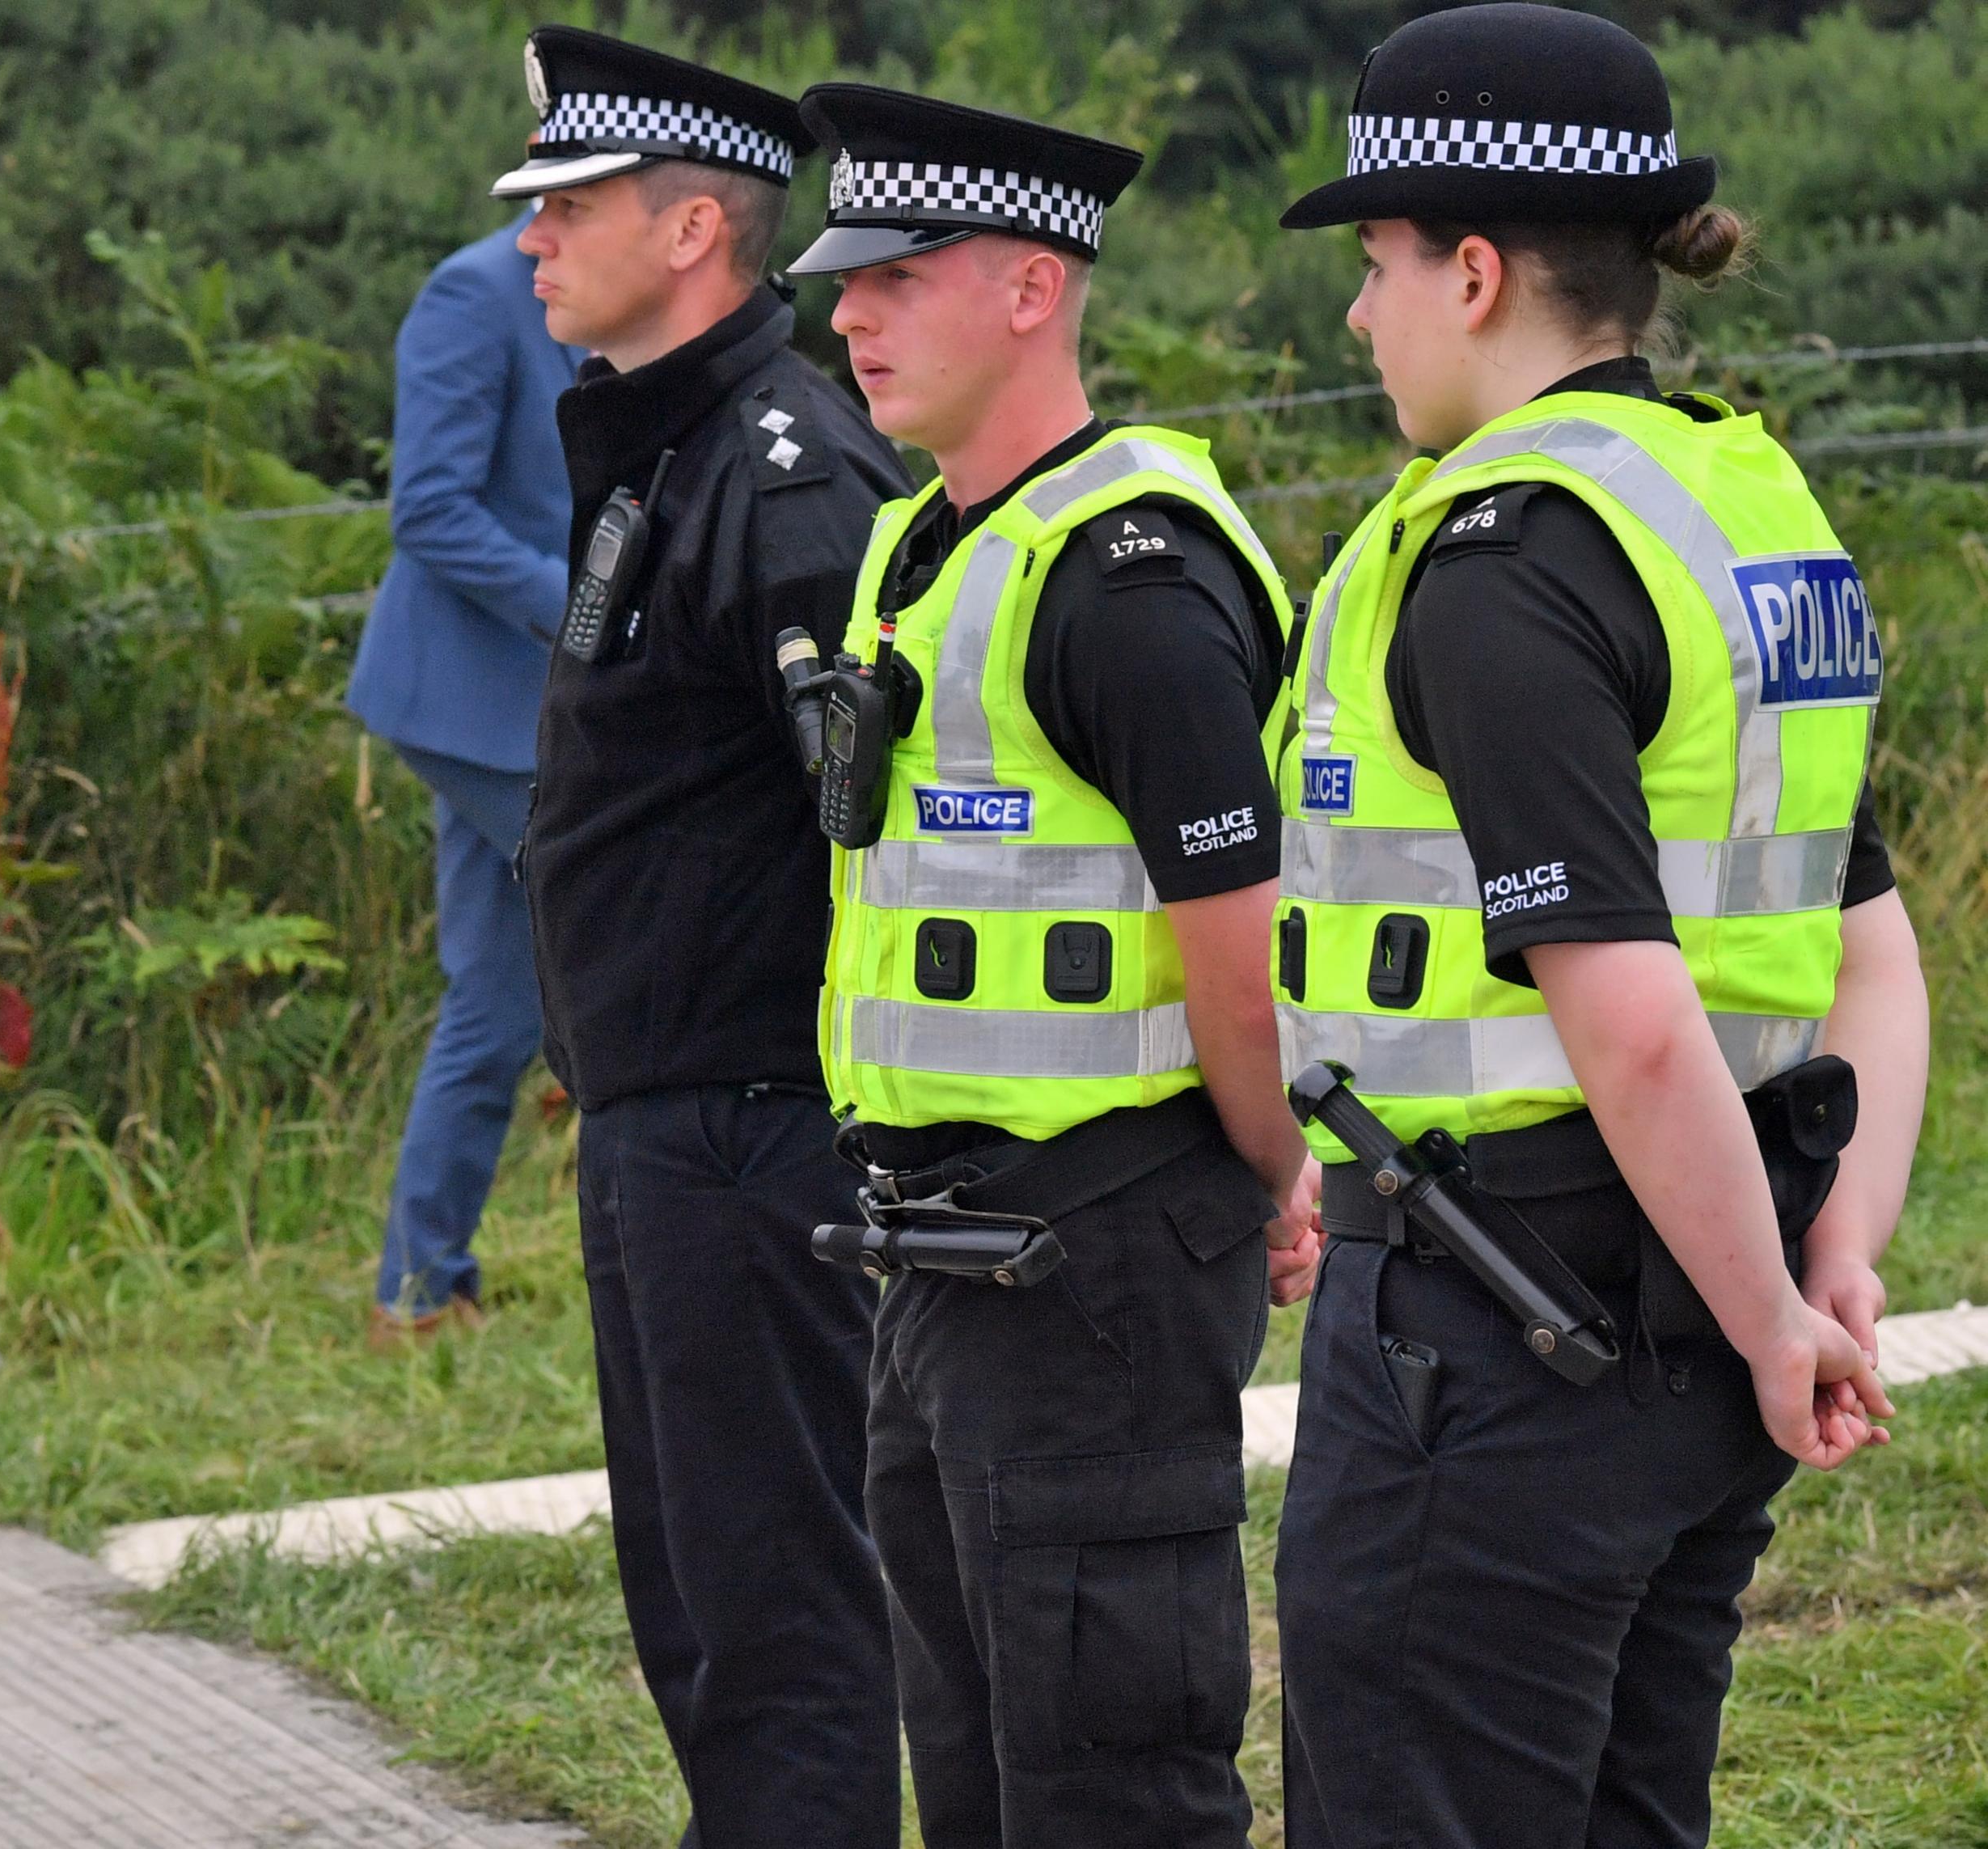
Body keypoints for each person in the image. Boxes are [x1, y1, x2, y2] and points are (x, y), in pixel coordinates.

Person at [1266, 9, 1924, 1844]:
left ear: (1474, 272)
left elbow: (1630, 1021)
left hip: (1505, 1327)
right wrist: (1819, 1265)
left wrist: (1777, 1306)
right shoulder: (1737, 507)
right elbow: (1870, 950)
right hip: (1706, 1304)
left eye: (1377, 266)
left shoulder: (1499, 566)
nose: (1358, 317)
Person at [785, 83, 1321, 1849]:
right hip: (940, 1254)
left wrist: (1275, 1169)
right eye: (840, 280)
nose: (847, 311)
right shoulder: (922, 546)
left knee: (1107, 1785)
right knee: (982, 1768)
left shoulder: (1127, 577)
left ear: (1029, 286)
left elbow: (1232, 941)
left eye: (895, 275)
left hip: (1092, 1252)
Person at [502, 26, 910, 1843]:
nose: (531, 240)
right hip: (672, 1117)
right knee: (700, 1602)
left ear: (689, 234)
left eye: (567, 207)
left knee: (779, 1617)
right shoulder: (661, 448)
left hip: (761, 1121)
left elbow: (873, 829)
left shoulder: (783, 468)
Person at [345, 205, 582, 1340]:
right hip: (466, 699)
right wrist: (578, 606)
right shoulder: (475, 293)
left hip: (525, 708)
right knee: (622, 925)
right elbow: (428, 508)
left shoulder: (602, 293)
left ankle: (419, 1285)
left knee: (493, 1003)